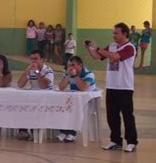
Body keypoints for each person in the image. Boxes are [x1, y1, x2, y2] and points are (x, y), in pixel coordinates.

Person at [85, 22, 138, 152]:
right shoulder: (112, 46)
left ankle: (132, 142)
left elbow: (115, 57)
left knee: (127, 115)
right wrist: (90, 48)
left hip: (125, 87)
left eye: (116, 33)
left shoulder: (130, 47)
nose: (113, 35)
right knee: (112, 115)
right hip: (111, 86)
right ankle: (115, 141)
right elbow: (97, 56)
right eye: (113, 33)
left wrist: (98, 48)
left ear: (124, 34)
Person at [16, 49, 54, 140]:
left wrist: (37, 72)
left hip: (46, 99)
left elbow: (43, 86)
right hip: (33, 97)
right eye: (32, 59)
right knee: (21, 105)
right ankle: (23, 130)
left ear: (42, 60)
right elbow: (20, 84)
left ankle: (35, 130)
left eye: (36, 59)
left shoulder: (48, 71)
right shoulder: (31, 70)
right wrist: (27, 71)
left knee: (34, 107)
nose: (33, 61)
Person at [57, 56, 97, 143]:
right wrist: (68, 76)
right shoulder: (69, 73)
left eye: (73, 65)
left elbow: (82, 87)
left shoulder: (89, 74)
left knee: (72, 107)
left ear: (80, 65)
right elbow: (61, 87)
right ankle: (63, 131)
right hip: (75, 100)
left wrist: (75, 76)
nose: (71, 67)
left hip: (87, 102)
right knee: (61, 106)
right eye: (69, 65)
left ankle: (72, 132)